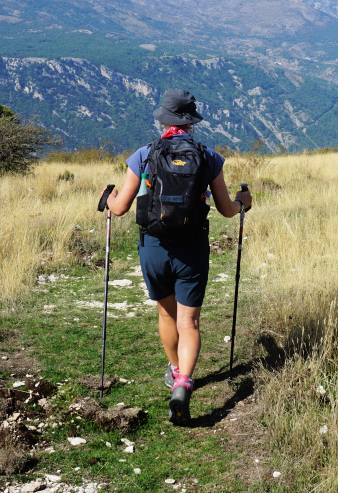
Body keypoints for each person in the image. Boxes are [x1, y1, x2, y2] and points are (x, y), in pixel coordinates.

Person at [104, 88, 252, 424]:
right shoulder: (209, 157)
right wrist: (245, 201)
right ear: (192, 122)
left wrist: (108, 196)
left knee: (167, 316)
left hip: (154, 247)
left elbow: (120, 207)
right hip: (192, 247)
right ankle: (183, 383)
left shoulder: (143, 155)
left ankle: (175, 371)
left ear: (163, 121)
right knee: (190, 321)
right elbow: (227, 210)